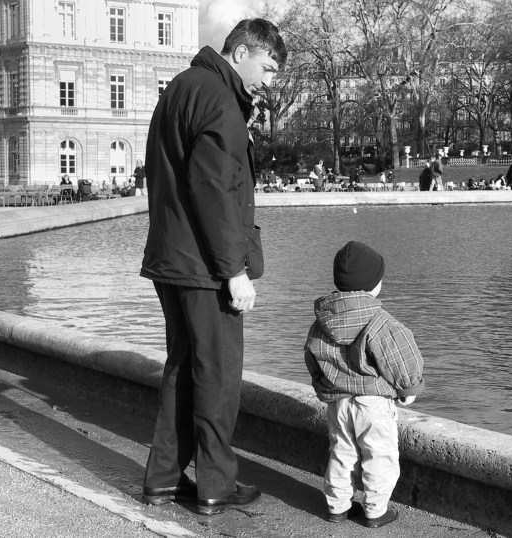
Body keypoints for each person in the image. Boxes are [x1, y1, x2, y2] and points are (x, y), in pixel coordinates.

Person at [140, 19, 286, 515]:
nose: (268, 80)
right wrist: (234, 272)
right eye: (266, 67)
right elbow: (215, 192)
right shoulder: (220, 100)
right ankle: (216, 486)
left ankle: (163, 477)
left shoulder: (182, 86)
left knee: (183, 368)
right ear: (242, 51)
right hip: (205, 266)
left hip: (172, 257)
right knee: (218, 375)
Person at [304, 241, 425, 528]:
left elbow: (311, 357)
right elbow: (402, 358)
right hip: (372, 404)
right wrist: (408, 390)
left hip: (338, 402)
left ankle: (337, 507)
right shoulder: (381, 322)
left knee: (342, 452)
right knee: (379, 455)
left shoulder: (322, 321)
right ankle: (375, 510)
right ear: (375, 285)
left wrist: (324, 386)